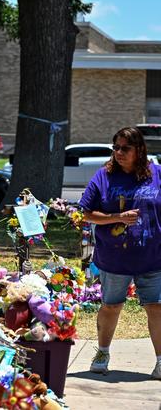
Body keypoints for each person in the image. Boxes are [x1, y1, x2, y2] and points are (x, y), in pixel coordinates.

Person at [79, 127, 161, 378]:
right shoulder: (104, 176)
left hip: (153, 256)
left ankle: (160, 361)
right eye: (116, 147)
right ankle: (103, 352)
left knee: (156, 307)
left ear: (140, 150)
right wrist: (117, 217)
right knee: (111, 306)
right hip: (114, 258)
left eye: (125, 148)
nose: (119, 152)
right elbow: (85, 212)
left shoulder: (156, 174)